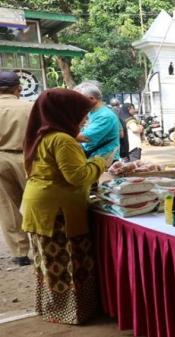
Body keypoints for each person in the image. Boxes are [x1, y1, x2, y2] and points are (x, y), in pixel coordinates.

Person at [21, 88, 114, 324]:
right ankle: (71, 312)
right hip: (58, 211)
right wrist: (102, 162)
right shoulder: (62, 140)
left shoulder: (44, 133)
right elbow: (78, 176)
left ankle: (53, 308)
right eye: (82, 113)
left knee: (49, 263)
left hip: (42, 205)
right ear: (65, 113)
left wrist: (74, 139)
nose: (85, 119)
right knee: (67, 262)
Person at [0, 71, 32, 266]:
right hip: (28, 158)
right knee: (36, 203)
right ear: (17, 88)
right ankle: (42, 245)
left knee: (8, 207)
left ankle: (20, 253)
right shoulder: (29, 107)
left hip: (0, 158)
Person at [74, 82, 120, 160]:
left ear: (91, 99)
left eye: (79, 99)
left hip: (105, 162)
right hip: (94, 159)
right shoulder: (91, 113)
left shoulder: (105, 116)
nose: (76, 102)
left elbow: (84, 138)